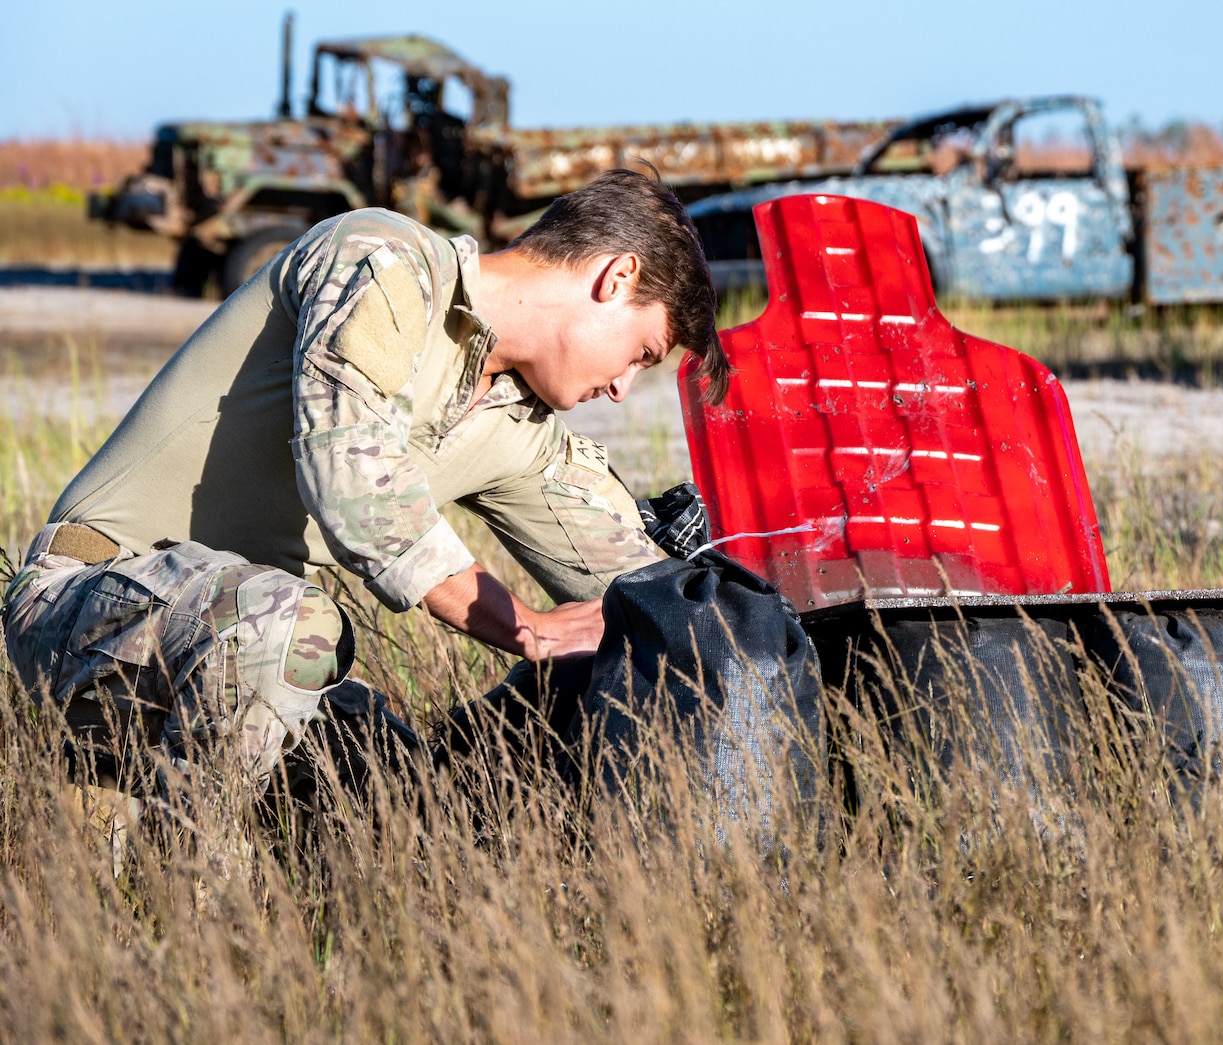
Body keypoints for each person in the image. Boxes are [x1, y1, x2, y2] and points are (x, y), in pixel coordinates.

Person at [2, 169, 727, 786]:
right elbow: (355, 485)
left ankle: (110, 802)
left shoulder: (521, 431)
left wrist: (722, 585)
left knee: (399, 789)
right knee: (291, 625)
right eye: (642, 351)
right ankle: (186, 901)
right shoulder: (382, 260)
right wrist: (529, 629)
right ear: (615, 276)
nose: (625, 387)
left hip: (239, 656)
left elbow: (647, 594)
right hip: (83, 607)